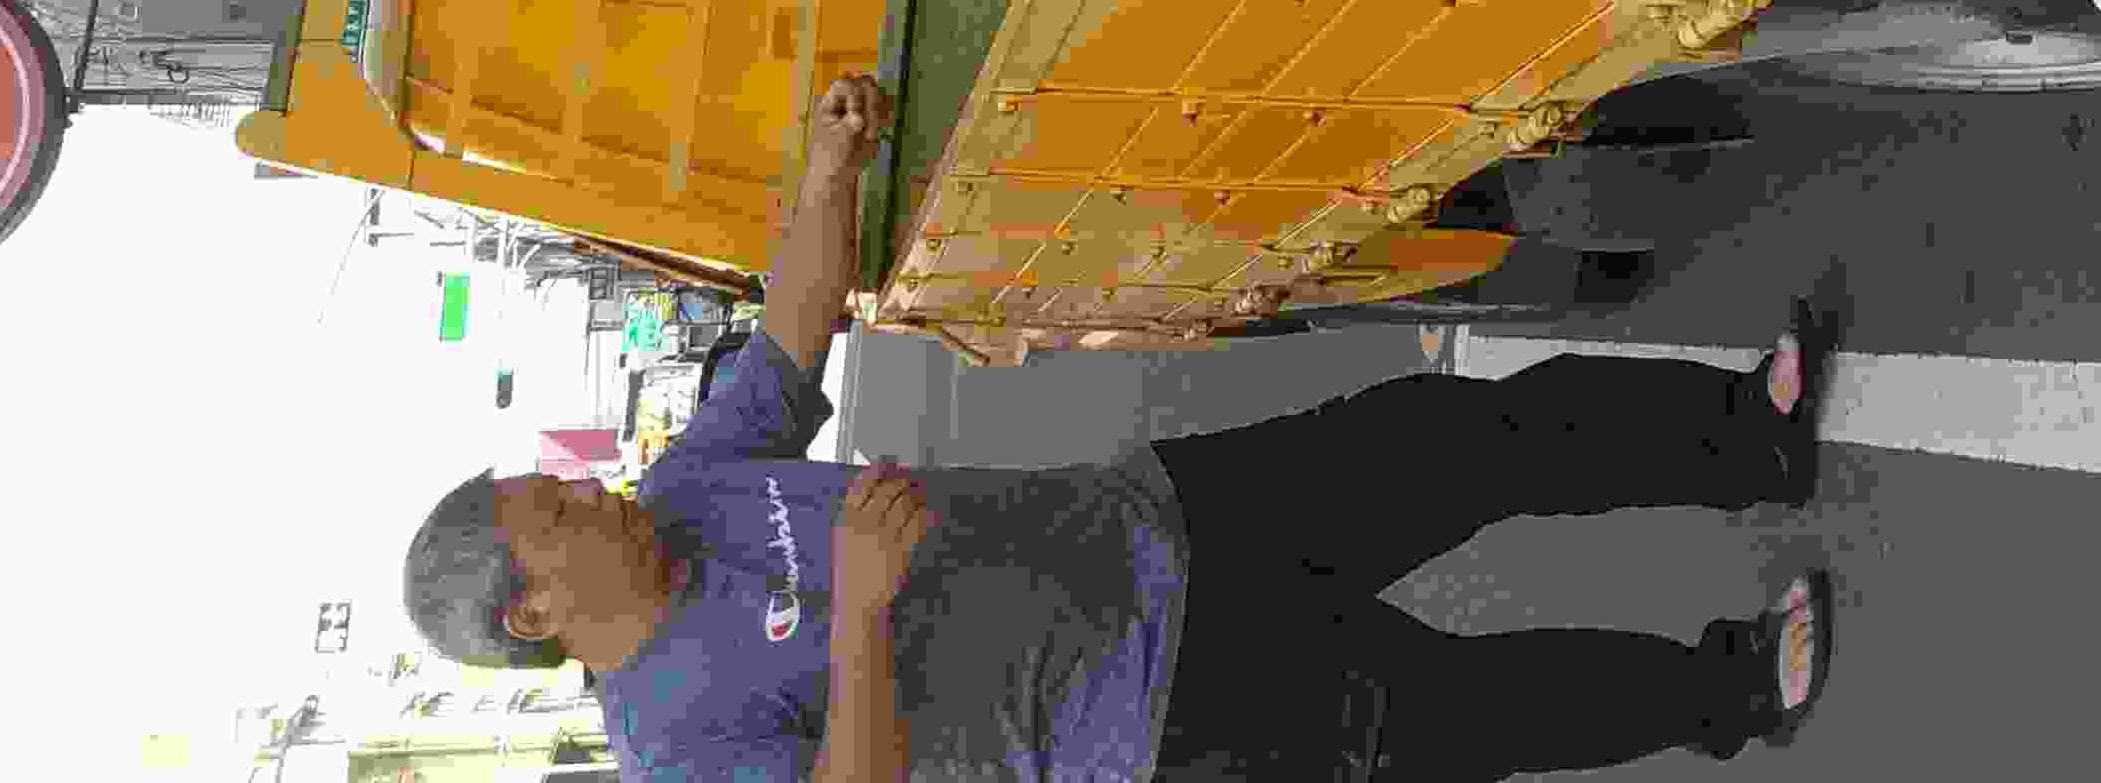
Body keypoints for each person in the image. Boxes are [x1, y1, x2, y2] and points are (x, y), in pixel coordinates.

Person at [401, 74, 1839, 783]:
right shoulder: (674, 735)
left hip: (1159, 515)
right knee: (1462, 710)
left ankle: (1743, 435)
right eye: (557, 513)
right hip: (1154, 723)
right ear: (531, 611)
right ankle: (1732, 694)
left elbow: (789, 334)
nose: (591, 494)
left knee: (1453, 439)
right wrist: (861, 610)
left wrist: (830, 169)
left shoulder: (694, 483)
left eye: (562, 487)